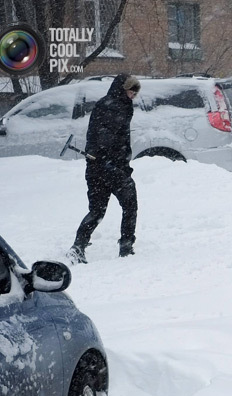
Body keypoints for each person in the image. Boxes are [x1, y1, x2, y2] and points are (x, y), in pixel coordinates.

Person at [67, 74, 140, 264]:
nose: (133, 96)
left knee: (98, 211)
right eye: (132, 92)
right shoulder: (113, 107)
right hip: (107, 167)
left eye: (135, 93)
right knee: (129, 205)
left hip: (99, 167)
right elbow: (107, 139)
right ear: (123, 89)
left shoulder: (114, 104)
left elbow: (118, 139)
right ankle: (125, 246)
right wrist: (114, 164)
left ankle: (78, 246)